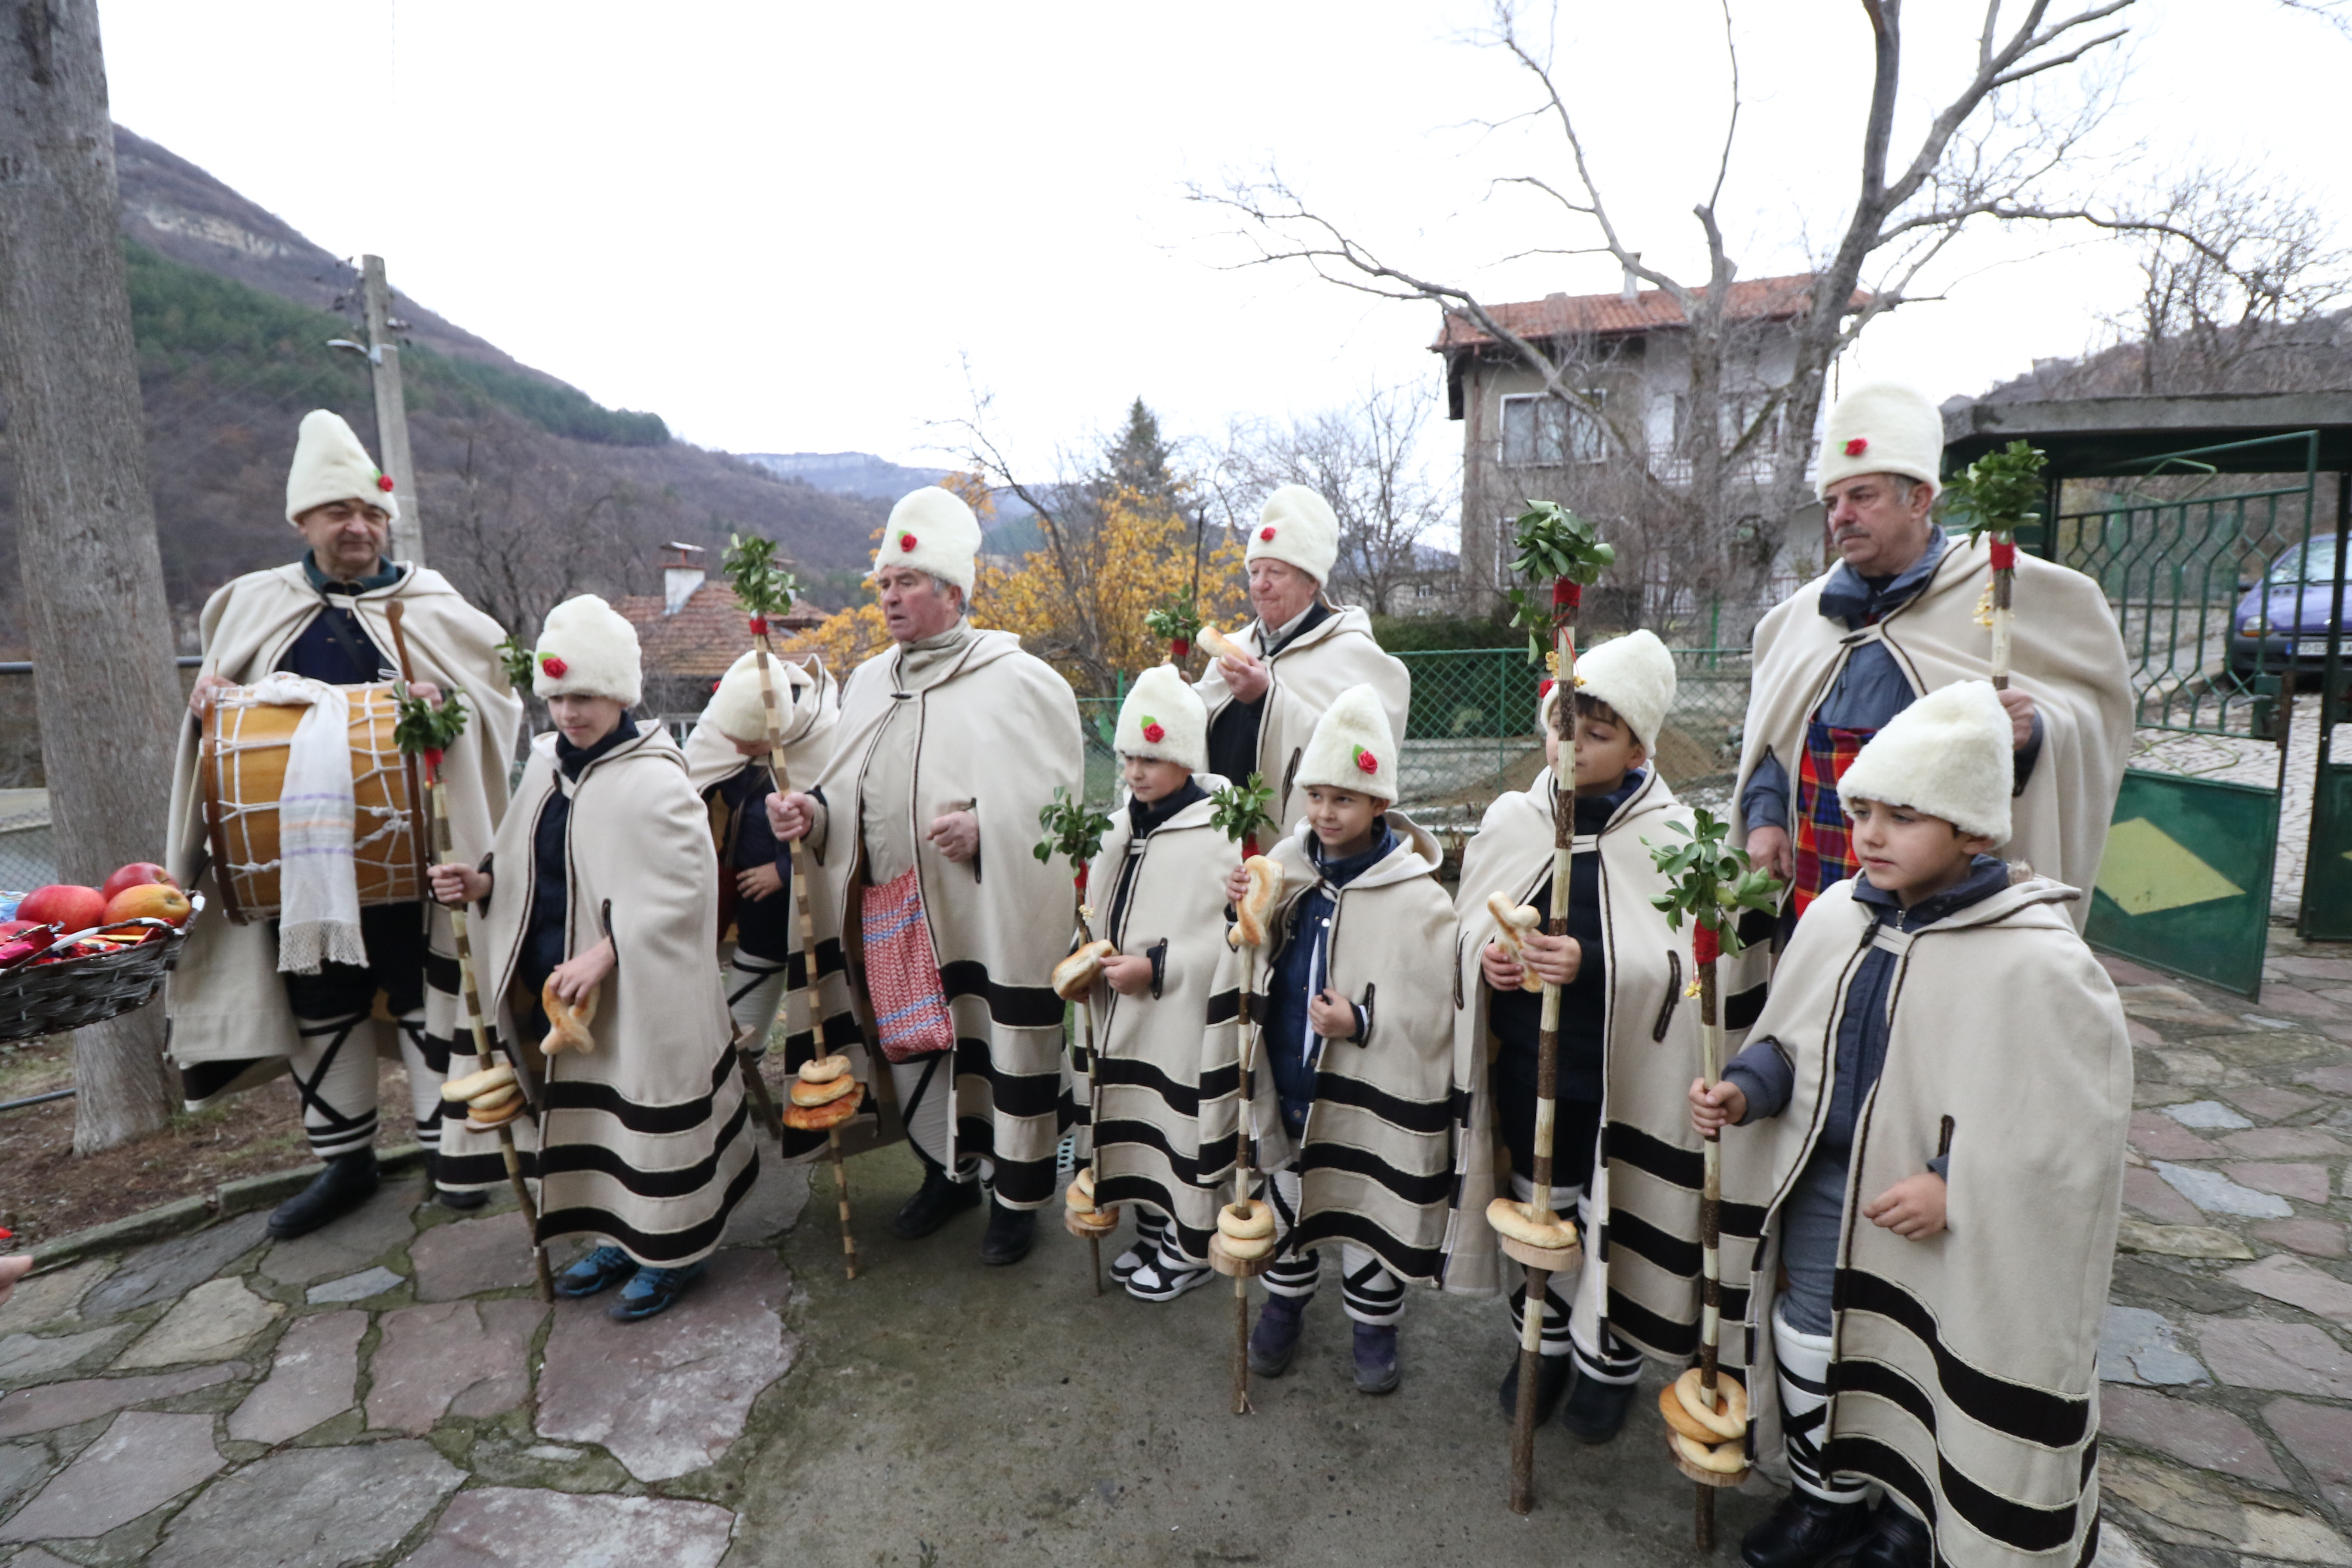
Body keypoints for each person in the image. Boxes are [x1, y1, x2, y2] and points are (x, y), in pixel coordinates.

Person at [1694, 681, 2128, 1568]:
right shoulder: (1833, 916)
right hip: (1824, 1185)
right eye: (1863, 811)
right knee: (1812, 1338)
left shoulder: (2035, 958)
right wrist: (1747, 1087)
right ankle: (1828, 1497)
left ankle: (1912, 1517)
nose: (1873, 835)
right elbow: (1794, 1038)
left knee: (1924, 1359)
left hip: (1938, 1215)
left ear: (1973, 830)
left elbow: (2060, 1122)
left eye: (1905, 814)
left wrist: (1951, 1177)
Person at [165, 409, 522, 1239]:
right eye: (338, 513)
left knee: (427, 991)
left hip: (415, 852)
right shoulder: (252, 606)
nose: (358, 528)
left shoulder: (430, 604)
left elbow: (500, 706)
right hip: (296, 859)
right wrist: (208, 703)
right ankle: (346, 1165)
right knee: (320, 1000)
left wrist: (452, 706)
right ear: (303, 522)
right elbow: (218, 733)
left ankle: (452, 1151)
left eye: (370, 514)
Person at [766, 487, 1083, 1266]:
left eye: (906, 583)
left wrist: (987, 827)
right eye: (882, 584)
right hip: (892, 905)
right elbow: (850, 788)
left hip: (979, 907)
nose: (889, 597)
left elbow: (1060, 806)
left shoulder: (1018, 680)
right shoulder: (871, 681)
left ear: (952, 591)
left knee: (996, 1046)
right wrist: (813, 814)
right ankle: (946, 1172)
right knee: (915, 1047)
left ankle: (1017, 1197)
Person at [429, 595, 753, 1322]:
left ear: (619, 695)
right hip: (557, 982)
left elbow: (688, 892)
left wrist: (607, 952)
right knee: (596, 1122)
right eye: (557, 697)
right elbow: (528, 862)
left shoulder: (658, 778)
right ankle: (621, 1234)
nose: (569, 713)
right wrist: (479, 882)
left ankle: (676, 1247)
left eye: (585, 695)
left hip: (639, 988)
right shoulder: (547, 768)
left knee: (646, 1111)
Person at [1731, 382, 2131, 932]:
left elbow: (2094, 719)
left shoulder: (2006, 589)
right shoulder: (1796, 621)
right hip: (1816, 867)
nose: (1840, 516)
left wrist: (2034, 729)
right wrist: (1765, 822)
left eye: (1862, 497)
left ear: (1919, 499)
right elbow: (1770, 748)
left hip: (1944, 884)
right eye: (1832, 503)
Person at [1449, 631, 1709, 1440]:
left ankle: (1608, 1361)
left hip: (1617, 1082)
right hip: (1531, 1068)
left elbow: (1689, 973)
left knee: (1611, 1220)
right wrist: (1487, 963)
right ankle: (1543, 1343)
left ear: (1639, 746)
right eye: (1564, 726)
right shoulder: (1513, 819)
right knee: (1538, 1210)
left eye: (1598, 735)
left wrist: (1591, 961)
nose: (1572, 747)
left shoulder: (1673, 837)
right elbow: (1463, 929)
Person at [1205, 684, 1468, 1394]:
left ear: (1380, 804)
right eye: (1315, 795)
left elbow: (1434, 1010)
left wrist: (1362, 1020)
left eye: (1344, 798)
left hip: (1360, 1089)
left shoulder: (1419, 897)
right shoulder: (1286, 868)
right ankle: (1284, 1305)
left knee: (1362, 1205)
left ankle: (1372, 1324)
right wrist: (1244, 910)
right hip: (1287, 1081)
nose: (1324, 812)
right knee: (1287, 1194)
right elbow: (1246, 953)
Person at [1069, 663, 1230, 1302]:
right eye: (1130, 756)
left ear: (1186, 760)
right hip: (1116, 1012)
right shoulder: (1116, 828)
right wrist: (1083, 958)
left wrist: (1157, 967)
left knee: (1174, 1125)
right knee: (1132, 1122)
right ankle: (1151, 1225)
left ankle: (1187, 1244)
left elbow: (1226, 938)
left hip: (1174, 1018)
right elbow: (1095, 910)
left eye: (1153, 758)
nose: (1135, 772)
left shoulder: (1217, 833)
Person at [1192, 485, 1410, 832]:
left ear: (1311, 584)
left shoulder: (1354, 655)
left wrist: (1266, 699)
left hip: (1305, 852)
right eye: (1254, 572)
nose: (1260, 586)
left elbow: (1360, 762)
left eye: (1275, 573)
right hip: (1220, 849)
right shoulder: (1234, 648)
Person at [682, 649, 839, 1088]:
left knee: (773, 963)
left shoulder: (824, 737)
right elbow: (695, 790)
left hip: (792, 891)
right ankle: (730, 1070)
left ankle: (745, 1069)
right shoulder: (727, 718)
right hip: (733, 878)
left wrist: (784, 871)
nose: (734, 750)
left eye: (748, 746)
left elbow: (844, 824)